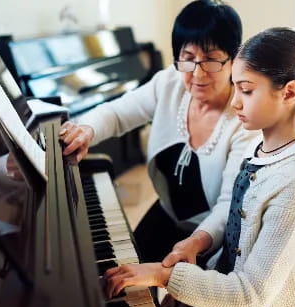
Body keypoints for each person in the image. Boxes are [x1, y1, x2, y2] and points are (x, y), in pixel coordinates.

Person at [102, 27, 295, 307]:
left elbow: (251, 297)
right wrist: (197, 246)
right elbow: (234, 227)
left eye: (247, 90)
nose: (235, 101)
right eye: (235, 87)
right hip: (229, 302)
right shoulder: (259, 150)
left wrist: (167, 277)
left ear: (289, 93)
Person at [59, 0, 252, 264]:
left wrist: (190, 256)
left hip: (215, 236)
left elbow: (227, 208)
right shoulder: (169, 83)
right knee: (126, 271)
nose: (198, 73)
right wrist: (86, 129)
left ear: (234, 59)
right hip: (168, 214)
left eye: (210, 60)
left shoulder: (245, 120)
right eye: (188, 59)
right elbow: (117, 113)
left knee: (180, 300)